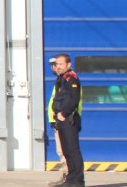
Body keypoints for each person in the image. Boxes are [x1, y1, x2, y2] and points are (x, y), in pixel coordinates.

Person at [47, 54, 83, 186]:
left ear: (68, 64)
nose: (58, 66)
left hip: (69, 119)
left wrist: (64, 113)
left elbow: (74, 99)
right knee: (67, 152)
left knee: (73, 151)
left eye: (61, 64)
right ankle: (71, 180)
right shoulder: (61, 79)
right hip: (61, 120)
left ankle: (78, 181)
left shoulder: (71, 78)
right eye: (57, 64)